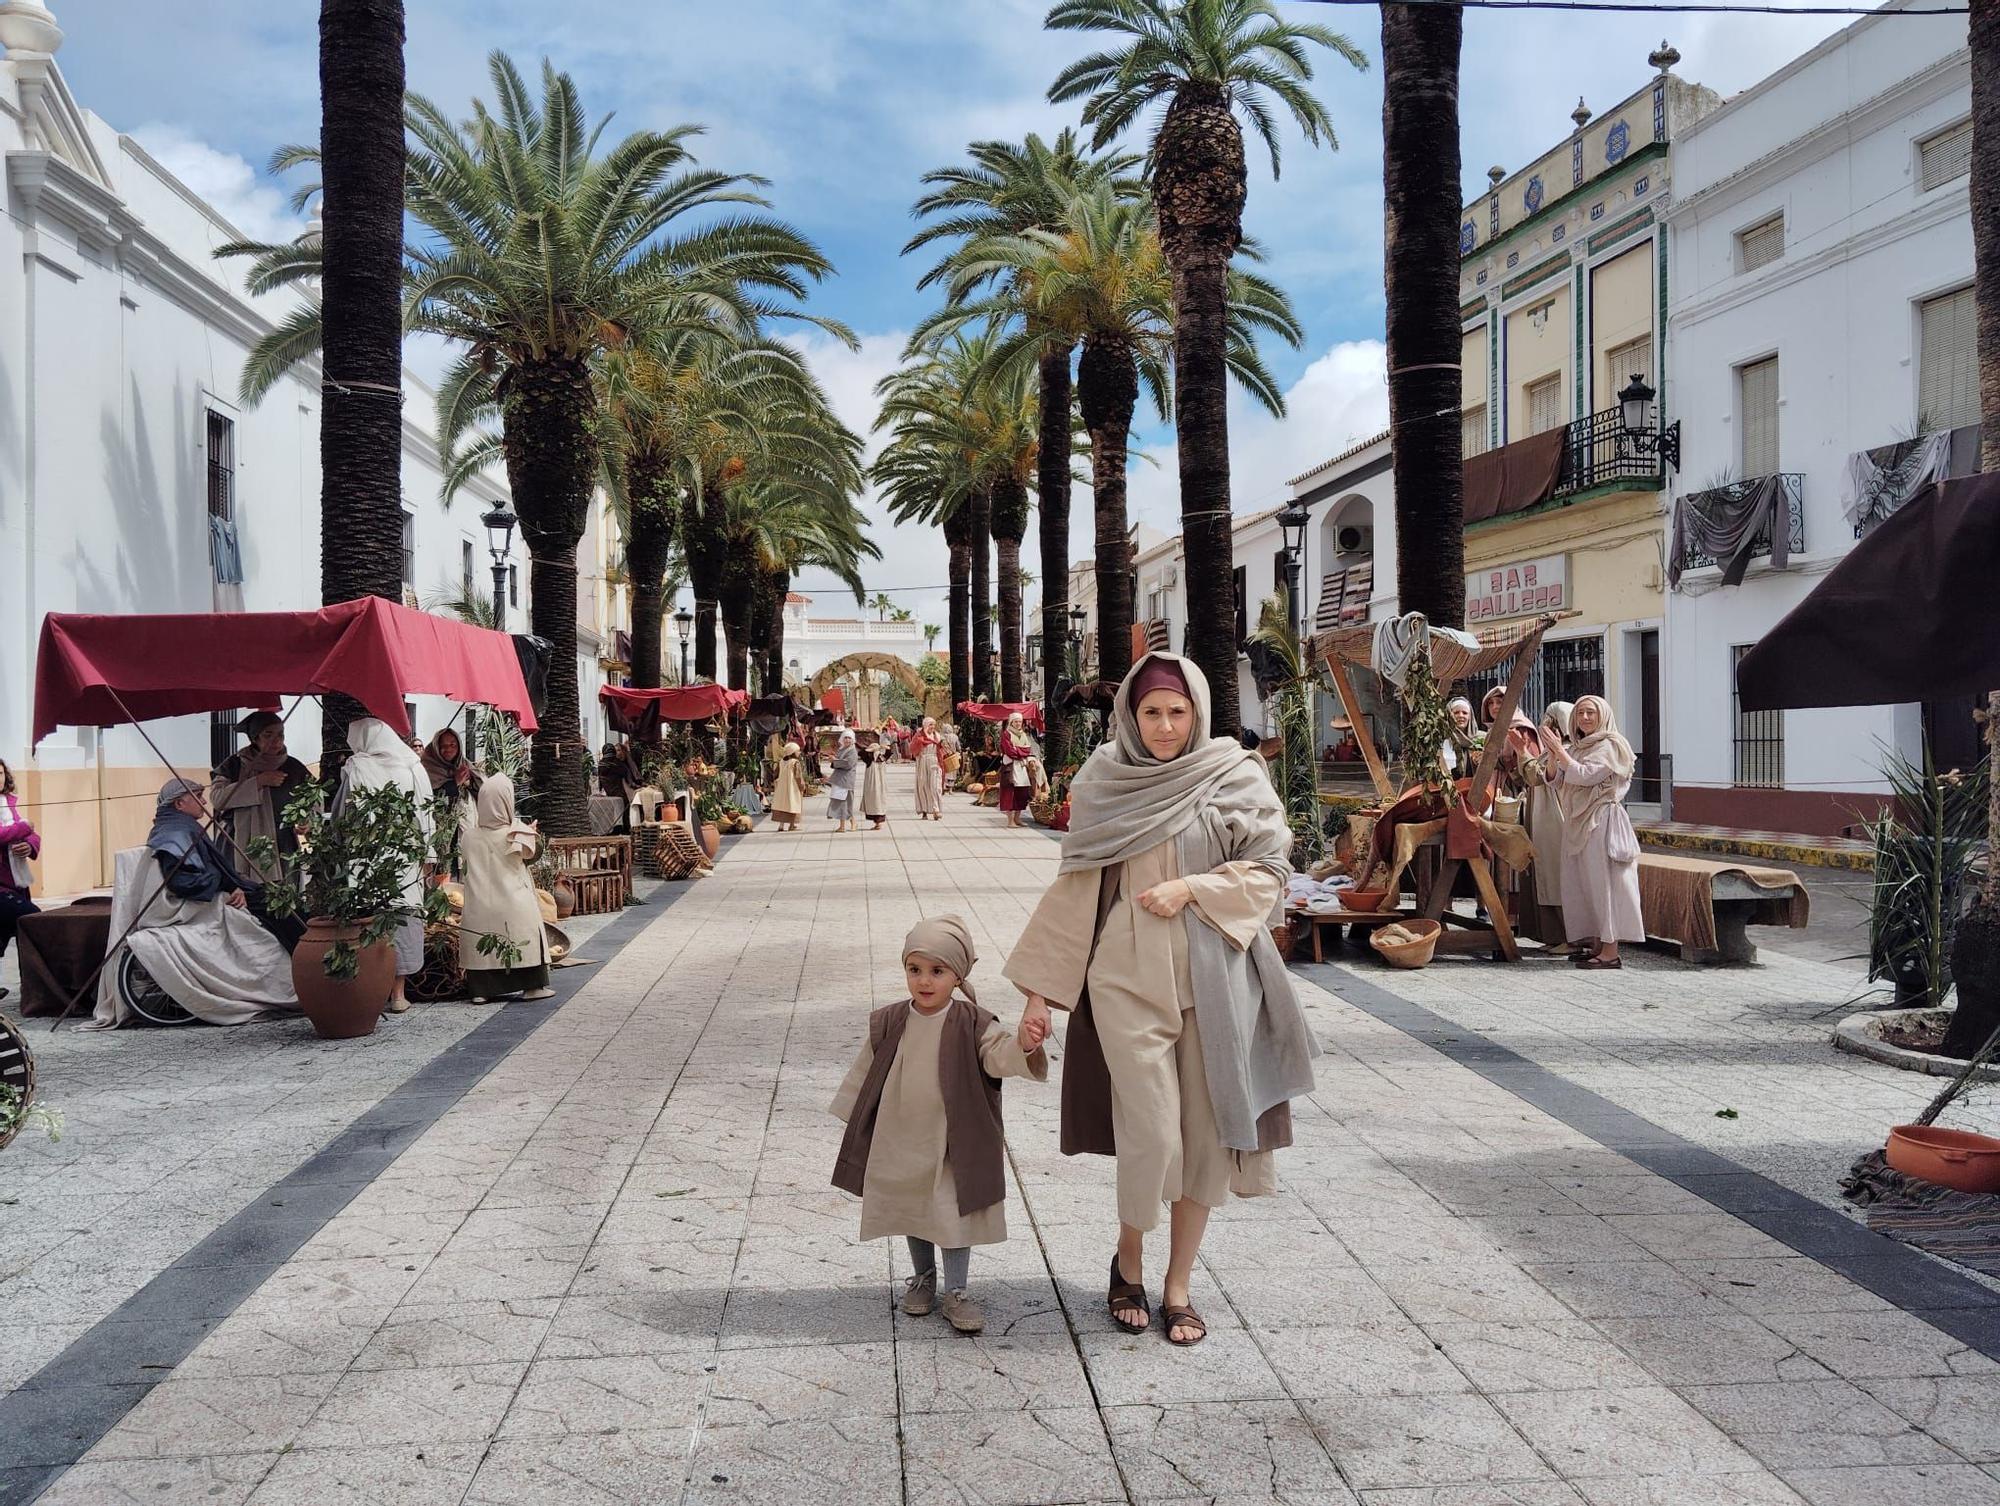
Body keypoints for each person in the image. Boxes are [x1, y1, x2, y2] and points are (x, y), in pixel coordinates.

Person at [1007, 653, 1318, 1347]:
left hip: (1216, 982)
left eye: (1178, 711)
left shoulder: (1234, 774)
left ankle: (1177, 1285)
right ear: (1130, 715)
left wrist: (1195, 889)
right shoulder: (1104, 780)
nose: (1166, 725)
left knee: (1204, 1141)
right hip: (1124, 977)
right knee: (1152, 1132)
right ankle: (1130, 1259)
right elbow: (1075, 888)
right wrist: (1038, 995)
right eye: (1152, 711)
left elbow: (1270, 869)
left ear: (1199, 711)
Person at [831, 915, 1048, 1336]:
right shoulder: (891, 1020)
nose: (925, 982)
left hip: (952, 1141)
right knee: (914, 1210)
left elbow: (998, 1056)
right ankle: (924, 1278)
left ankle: (958, 1290)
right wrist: (854, 1116)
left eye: (937, 971)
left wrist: (1023, 1042)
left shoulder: (974, 1022)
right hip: (902, 1137)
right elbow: (866, 1070)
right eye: (915, 970)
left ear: (957, 974)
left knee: (951, 1215)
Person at [336, 717, 435, 1013]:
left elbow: (342, 816)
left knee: (372, 923)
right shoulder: (413, 766)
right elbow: (426, 815)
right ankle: (398, 994)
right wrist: (428, 856)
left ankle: (375, 989)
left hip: (366, 859)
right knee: (403, 920)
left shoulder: (357, 767)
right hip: (406, 858)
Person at [1538, 694, 1643, 970]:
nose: (1585, 718)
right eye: (1580, 713)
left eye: (1590, 713)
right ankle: (1596, 943)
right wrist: (1553, 754)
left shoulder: (1612, 745)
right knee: (1583, 883)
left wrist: (1560, 753)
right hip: (1578, 821)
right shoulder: (1577, 747)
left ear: (1603, 715)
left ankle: (1610, 951)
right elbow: (1556, 780)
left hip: (1602, 821)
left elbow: (1585, 776)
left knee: (1604, 884)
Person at [147, 777, 302, 952]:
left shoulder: (179, 827)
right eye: (198, 796)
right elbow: (184, 882)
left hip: (222, 889)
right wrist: (228, 887)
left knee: (283, 900)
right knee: (284, 911)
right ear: (179, 804)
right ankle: (302, 960)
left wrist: (232, 883)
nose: (204, 802)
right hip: (207, 900)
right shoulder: (176, 833)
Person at [458, 773, 553, 1003]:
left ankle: (481, 991)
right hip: (514, 905)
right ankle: (532, 987)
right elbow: (532, 856)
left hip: (479, 906)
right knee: (525, 936)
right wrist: (532, 833)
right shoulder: (516, 833)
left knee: (481, 947)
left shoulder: (469, 837)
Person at [209, 711, 313, 885]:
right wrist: (258, 781)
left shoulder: (294, 768)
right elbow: (218, 798)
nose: (276, 740)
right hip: (238, 844)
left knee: (282, 896)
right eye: (268, 735)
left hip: (282, 845)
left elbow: (313, 800)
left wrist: (307, 821)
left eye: (280, 734)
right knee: (243, 894)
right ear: (255, 738)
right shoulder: (233, 765)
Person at [1519, 701, 1573, 950]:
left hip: (1556, 818)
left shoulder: (1570, 751)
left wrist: (1524, 752)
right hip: (1543, 816)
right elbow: (1534, 775)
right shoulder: (1549, 751)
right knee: (1546, 875)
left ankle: (1570, 937)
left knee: (1557, 875)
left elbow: (1540, 777)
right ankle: (1553, 935)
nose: (1546, 725)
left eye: (1551, 720)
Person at [0, 759, 42, 992]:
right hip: (1, 887)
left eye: (1, 773)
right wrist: (26, 826)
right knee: (33, 922)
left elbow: (34, 836)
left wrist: (28, 844)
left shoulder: (9, 803)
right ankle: (39, 989)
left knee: (7, 931)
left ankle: (33, 989)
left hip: (15, 884)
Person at [422, 728, 485, 806]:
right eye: (443, 745)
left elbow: (483, 788)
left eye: (452, 744)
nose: (448, 749)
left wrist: (469, 782)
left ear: (459, 746)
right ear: (436, 748)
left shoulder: (464, 764)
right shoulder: (427, 768)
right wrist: (455, 782)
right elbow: (427, 797)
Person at [997, 712, 1038, 828]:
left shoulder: (1023, 735)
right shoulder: (1007, 734)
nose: (1018, 724)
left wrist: (1018, 750)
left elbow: (1028, 749)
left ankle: (1017, 818)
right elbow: (1009, 750)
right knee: (1010, 792)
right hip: (1010, 766)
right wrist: (1020, 751)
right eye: (1016, 721)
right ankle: (1010, 821)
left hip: (1021, 767)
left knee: (1022, 792)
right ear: (1011, 722)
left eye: (1020, 721)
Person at [911, 717, 944, 821]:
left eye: (933, 725)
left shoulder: (937, 736)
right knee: (923, 786)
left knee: (935, 786)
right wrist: (921, 741)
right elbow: (912, 748)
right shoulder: (919, 735)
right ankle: (924, 810)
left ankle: (936, 809)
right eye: (930, 725)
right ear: (925, 725)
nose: (932, 727)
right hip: (923, 761)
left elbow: (941, 748)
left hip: (934, 761)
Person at [827, 729, 860, 833]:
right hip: (839, 779)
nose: (847, 740)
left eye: (849, 738)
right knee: (840, 802)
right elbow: (837, 761)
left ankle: (852, 822)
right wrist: (833, 760)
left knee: (846, 803)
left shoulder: (852, 751)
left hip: (846, 780)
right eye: (845, 737)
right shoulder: (842, 749)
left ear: (852, 740)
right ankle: (842, 826)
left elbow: (848, 764)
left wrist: (834, 761)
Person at [770, 741, 806, 831]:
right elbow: (798, 776)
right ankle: (792, 825)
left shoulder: (781, 762)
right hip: (792, 787)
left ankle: (781, 825)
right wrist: (802, 786)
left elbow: (775, 774)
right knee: (792, 804)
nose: (799, 752)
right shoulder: (795, 762)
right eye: (797, 751)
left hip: (782, 787)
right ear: (792, 752)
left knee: (782, 805)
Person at [860, 739, 889, 830]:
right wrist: (873, 749)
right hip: (873, 784)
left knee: (878, 801)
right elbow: (861, 752)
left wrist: (879, 747)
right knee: (875, 801)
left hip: (878, 784)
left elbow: (889, 750)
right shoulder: (869, 759)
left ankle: (878, 823)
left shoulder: (880, 758)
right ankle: (877, 823)